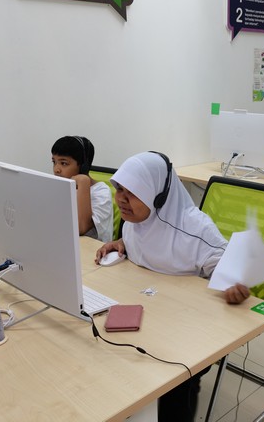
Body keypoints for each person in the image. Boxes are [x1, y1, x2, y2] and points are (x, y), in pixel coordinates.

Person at [94, 151, 249, 421]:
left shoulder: (195, 227)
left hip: (185, 329)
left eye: (132, 192)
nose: (121, 199)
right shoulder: (134, 221)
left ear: (157, 195)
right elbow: (145, 247)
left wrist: (233, 282)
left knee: (174, 385)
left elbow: (226, 264)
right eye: (119, 189)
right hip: (147, 312)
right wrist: (121, 244)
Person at [51, 136, 113, 242]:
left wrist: (83, 183)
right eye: (54, 162)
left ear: (83, 166)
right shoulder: (62, 187)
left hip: (92, 249)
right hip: (64, 243)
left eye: (64, 163)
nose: (56, 169)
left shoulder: (101, 192)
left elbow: (81, 228)